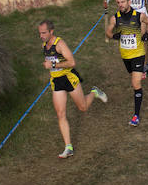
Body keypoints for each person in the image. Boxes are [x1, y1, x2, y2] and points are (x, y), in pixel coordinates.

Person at [38, 20, 107, 159]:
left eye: (44, 33)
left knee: (83, 107)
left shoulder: (60, 44)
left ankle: (94, 92)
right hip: (56, 81)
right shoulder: (44, 45)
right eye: (40, 33)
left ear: (51, 31)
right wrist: (51, 67)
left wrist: (52, 64)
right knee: (60, 114)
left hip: (69, 78)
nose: (41, 35)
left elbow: (72, 62)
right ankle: (68, 147)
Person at [105, 0, 148, 127]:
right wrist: (114, 36)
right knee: (133, 75)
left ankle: (136, 116)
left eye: (123, 2)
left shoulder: (139, 16)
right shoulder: (115, 18)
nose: (120, 5)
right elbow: (108, 31)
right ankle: (147, 68)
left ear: (129, 2)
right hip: (125, 56)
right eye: (118, 2)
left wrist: (147, 34)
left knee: (136, 83)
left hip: (138, 54)